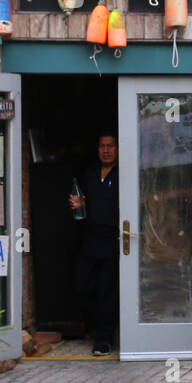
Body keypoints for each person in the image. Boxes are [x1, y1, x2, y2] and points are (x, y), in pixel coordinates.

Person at [68, 132, 119, 355]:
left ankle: (104, 340)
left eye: (110, 146)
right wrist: (77, 204)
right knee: (82, 287)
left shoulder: (122, 174)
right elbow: (82, 202)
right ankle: (94, 328)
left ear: (117, 148)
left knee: (106, 293)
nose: (106, 150)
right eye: (102, 146)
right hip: (89, 240)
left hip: (113, 241)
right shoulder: (89, 173)